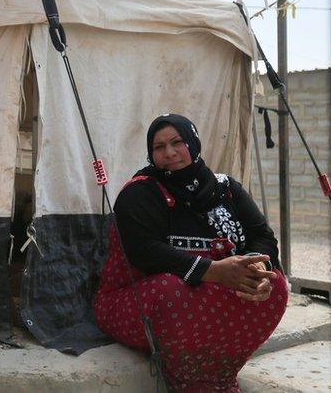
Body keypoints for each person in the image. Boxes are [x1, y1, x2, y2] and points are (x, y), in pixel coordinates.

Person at [94, 114, 288, 392]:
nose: (169, 153)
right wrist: (215, 272)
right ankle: (192, 381)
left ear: (193, 143)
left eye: (177, 142)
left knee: (275, 286)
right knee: (173, 291)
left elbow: (262, 236)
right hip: (136, 299)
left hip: (208, 297)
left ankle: (220, 372)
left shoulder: (226, 189)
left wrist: (255, 267)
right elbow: (144, 252)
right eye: (159, 147)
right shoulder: (140, 193)